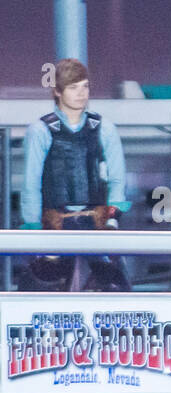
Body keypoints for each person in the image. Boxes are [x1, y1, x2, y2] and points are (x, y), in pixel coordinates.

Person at [20, 58, 130, 291]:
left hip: (98, 222)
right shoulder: (40, 130)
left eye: (85, 86)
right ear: (58, 92)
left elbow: (118, 179)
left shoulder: (105, 127)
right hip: (54, 223)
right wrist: (34, 229)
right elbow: (31, 184)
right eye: (73, 87)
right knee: (42, 288)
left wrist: (112, 220)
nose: (81, 93)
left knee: (116, 287)